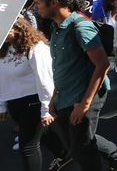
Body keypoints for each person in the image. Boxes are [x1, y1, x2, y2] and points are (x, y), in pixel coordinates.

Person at [32, 0, 117, 171]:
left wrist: (85, 104)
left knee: (85, 153)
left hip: (83, 98)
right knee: (76, 145)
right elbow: (63, 67)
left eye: (38, 2)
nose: (35, 6)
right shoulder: (56, 27)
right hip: (66, 96)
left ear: (54, 3)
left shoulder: (80, 27)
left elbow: (102, 64)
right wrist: (55, 96)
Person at [0, 17, 66, 171]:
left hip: (34, 102)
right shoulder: (4, 48)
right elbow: (2, 78)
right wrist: (2, 105)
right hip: (15, 103)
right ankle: (65, 156)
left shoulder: (35, 47)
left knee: (27, 146)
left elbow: (45, 80)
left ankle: (67, 156)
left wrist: (46, 109)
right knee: (45, 136)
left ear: (19, 27)